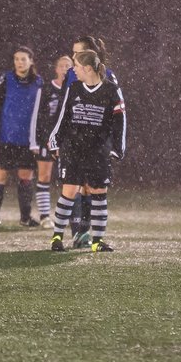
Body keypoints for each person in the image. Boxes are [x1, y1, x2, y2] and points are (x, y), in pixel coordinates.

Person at [47, 49, 125, 253]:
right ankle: (56, 238)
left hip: (98, 152)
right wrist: (54, 140)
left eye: (77, 66)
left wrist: (118, 148)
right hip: (73, 150)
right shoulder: (73, 88)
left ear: (88, 68)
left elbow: (120, 122)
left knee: (99, 193)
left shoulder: (111, 90)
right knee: (69, 192)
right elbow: (63, 117)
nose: (73, 69)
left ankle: (97, 241)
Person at [60, 36, 117, 247]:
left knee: (92, 188)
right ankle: (78, 233)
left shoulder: (108, 77)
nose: (73, 57)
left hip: (97, 146)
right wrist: (60, 138)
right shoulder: (71, 75)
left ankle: (91, 235)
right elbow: (64, 109)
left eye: (77, 53)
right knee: (74, 187)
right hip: (74, 144)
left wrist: (110, 143)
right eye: (72, 52)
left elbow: (115, 113)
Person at [0, 46, 44, 227]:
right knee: (0, 174)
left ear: (31, 61)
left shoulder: (38, 82)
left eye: (23, 59)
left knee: (25, 175)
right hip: (6, 136)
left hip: (28, 139)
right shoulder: (7, 78)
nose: (19, 63)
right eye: (16, 59)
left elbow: (41, 112)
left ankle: (25, 218)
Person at [29, 54, 73, 228]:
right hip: (47, 140)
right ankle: (45, 216)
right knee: (44, 176)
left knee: (68, 179)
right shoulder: (46, 89)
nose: (64, 69)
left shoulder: (75, 88)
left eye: (68, 66)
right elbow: (36, 116)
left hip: (67, 141)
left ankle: (67, 215)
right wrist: (34, 141)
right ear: (56, 69)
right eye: (61, 66)